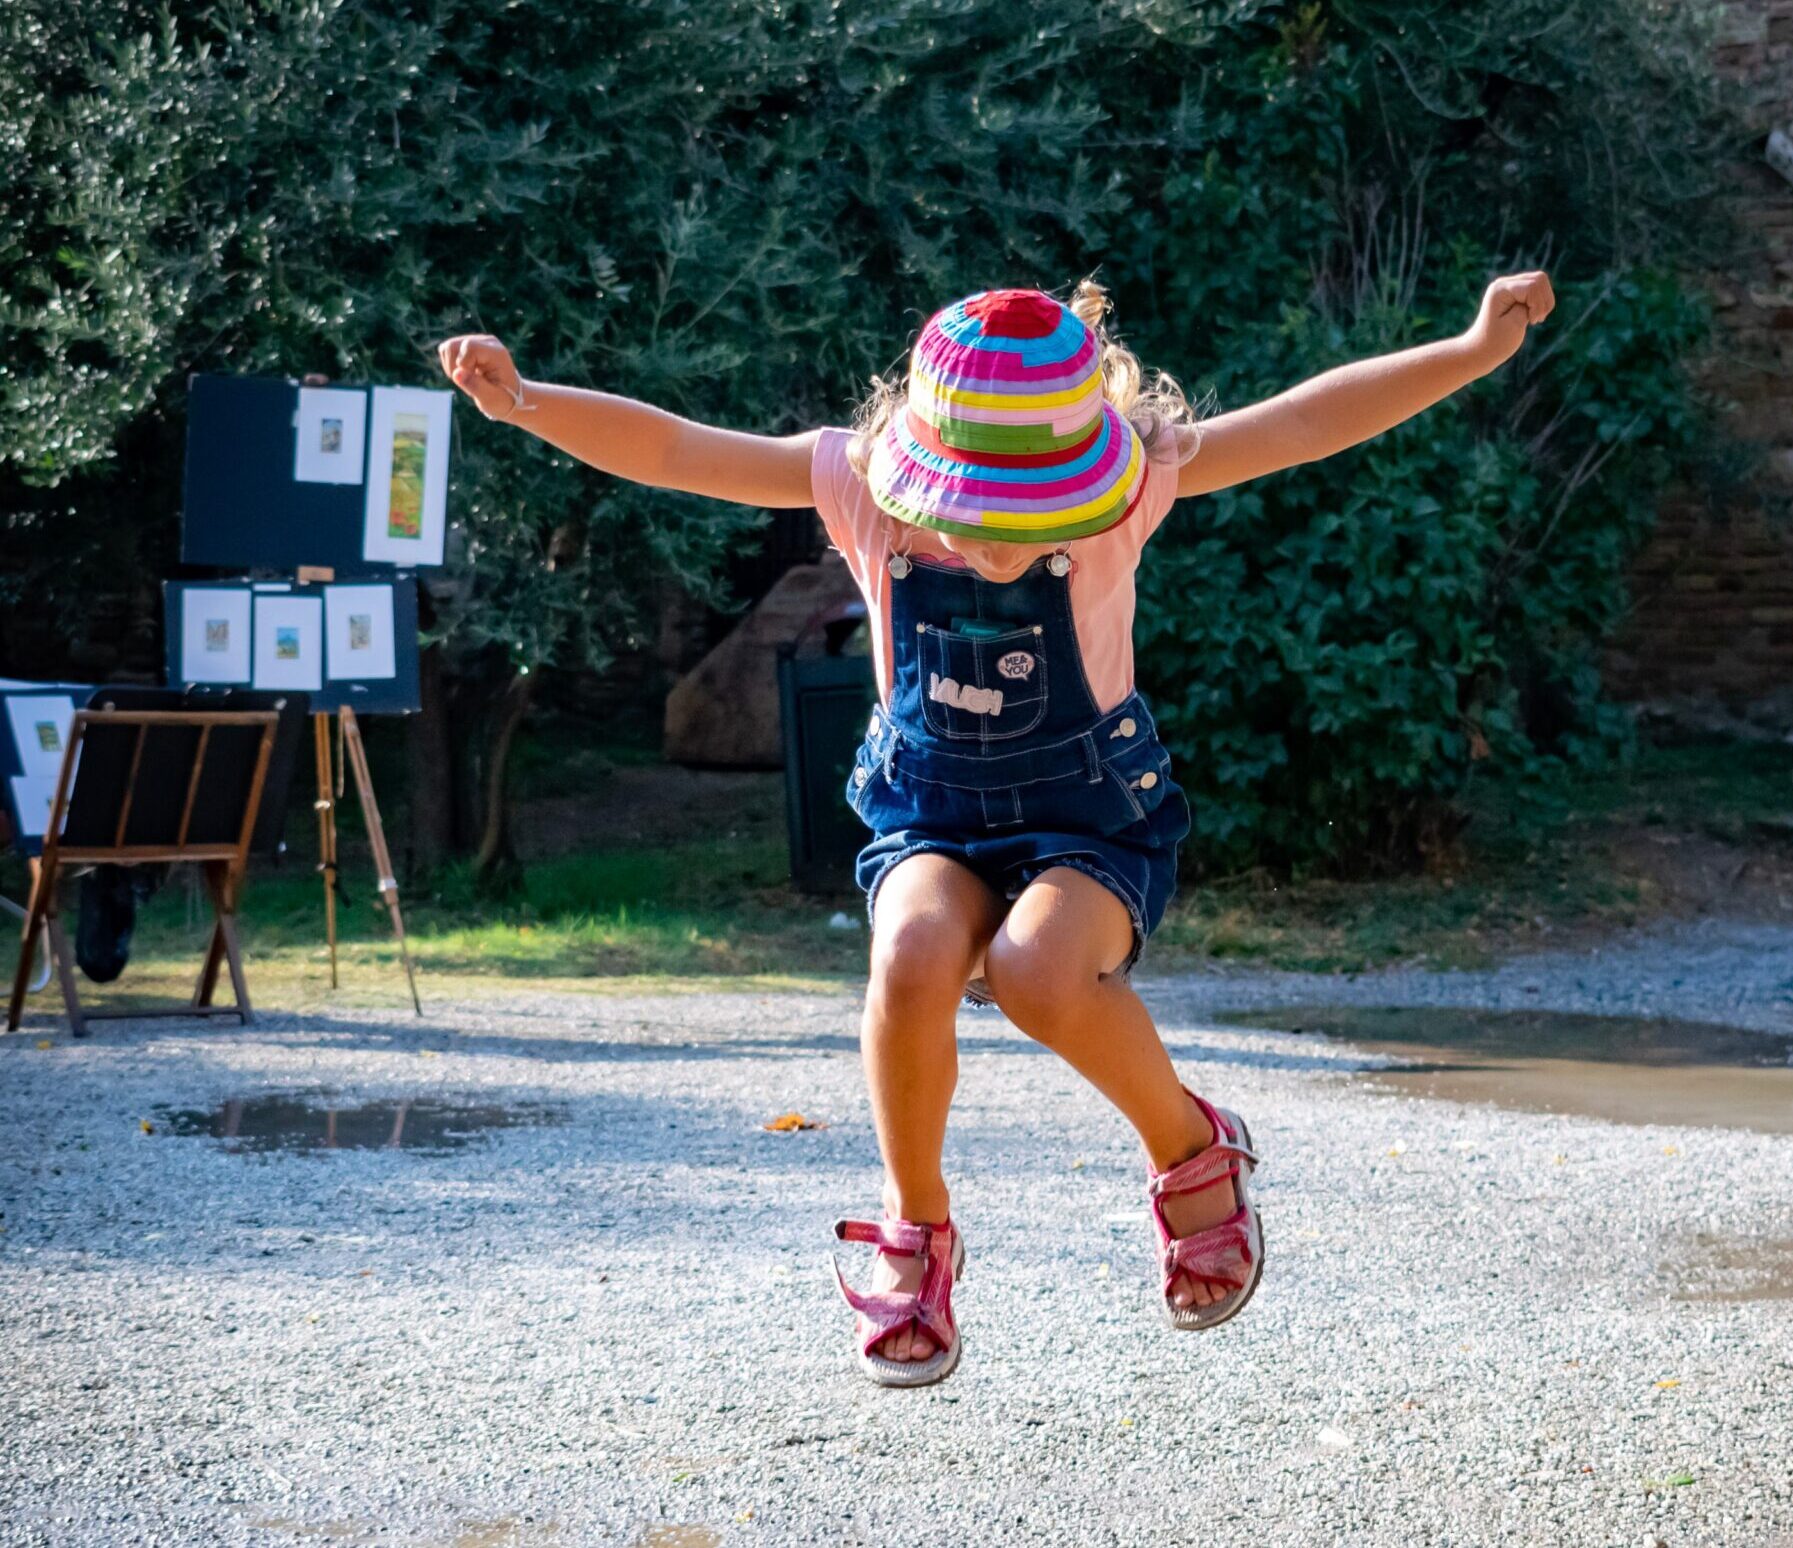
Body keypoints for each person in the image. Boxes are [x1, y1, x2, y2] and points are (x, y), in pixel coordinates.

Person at [438, 269, 1554, 1386]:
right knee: (912, 955)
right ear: (922, 473)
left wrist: (1465, 351)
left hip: (1089, 815)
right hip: (929, 810)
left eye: (1035, 518)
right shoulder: (854, 483)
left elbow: (1308, 421)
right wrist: (527, 399)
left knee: (1035, 973)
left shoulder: (1139, 478)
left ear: (1088, 482)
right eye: (973, 517)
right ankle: (914, 1228)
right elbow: (680, 451)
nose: (997, 547)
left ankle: (1189, 1148)